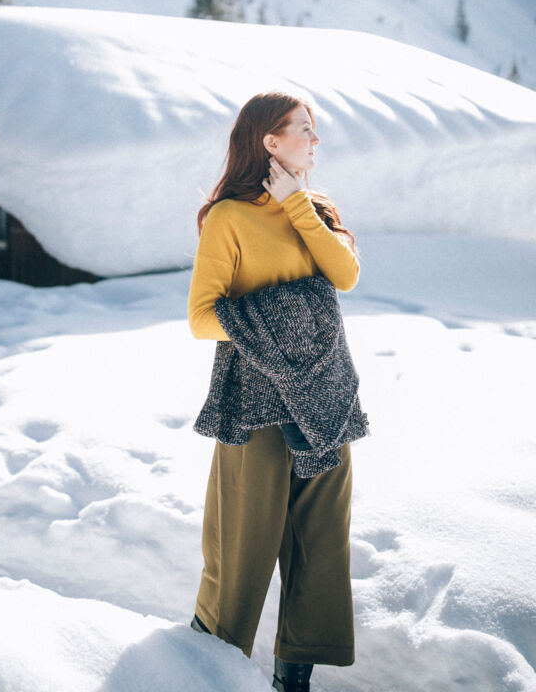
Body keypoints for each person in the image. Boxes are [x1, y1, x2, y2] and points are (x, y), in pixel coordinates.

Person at [188, 91, 361, 692]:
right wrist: (280, 320)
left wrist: (297, 206)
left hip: (326, 401)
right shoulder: (229, 218)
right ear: (270, 141)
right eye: (304, 130)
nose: (315, 140)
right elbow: (201, 317)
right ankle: (204, 669)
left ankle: (295, 679)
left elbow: (345, 276)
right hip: (257, 406)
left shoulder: (316, 210)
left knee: (321, 547)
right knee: (242, 546)